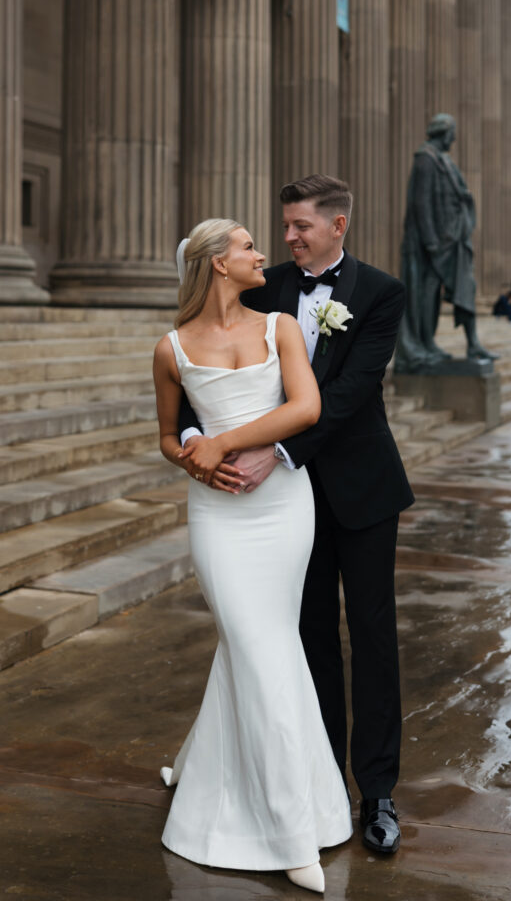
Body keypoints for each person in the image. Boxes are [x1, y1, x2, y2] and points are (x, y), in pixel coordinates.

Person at [179, 175, 415, 857]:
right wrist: (196, 437)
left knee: (370, 637)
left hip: (359, 488)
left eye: (300, 226)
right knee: (304, 636)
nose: (287, 237)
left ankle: (377, 794)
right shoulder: (265, 284)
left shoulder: (380, 292)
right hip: (282, 505)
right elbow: (204, 357)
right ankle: (315, 787)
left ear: (337, 225)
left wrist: (273, 450)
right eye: (282, 226)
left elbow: (347, 393)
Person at [153, 218, 352, 894]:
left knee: (258, 646)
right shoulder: (170, 348)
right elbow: (166, 438)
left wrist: (221, 439)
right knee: (256, 645)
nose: (260, 252)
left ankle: (205, 771)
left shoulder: (280, 329)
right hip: (218, 516)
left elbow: (305, 408)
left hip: (282, 507)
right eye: (245, 246)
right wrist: (196, 465)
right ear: (216, 264)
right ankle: (292, 830)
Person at [394, 114, 498, 372]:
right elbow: (421, 202)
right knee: (426, 294)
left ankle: (468, 343)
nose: (455, 137)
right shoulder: (426, 159)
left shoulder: (445, 161)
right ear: (444, 132)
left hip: (451, 239)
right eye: (452, 131)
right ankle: (425, 342)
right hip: (432, 243)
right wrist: (430, 240)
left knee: (464, 287)